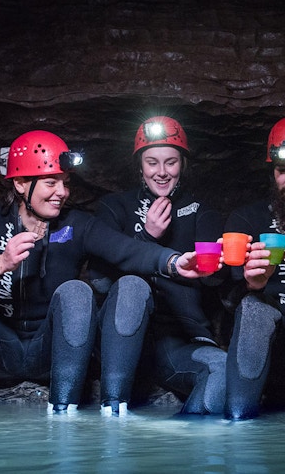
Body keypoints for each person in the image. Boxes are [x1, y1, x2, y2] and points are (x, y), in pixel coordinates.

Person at [0, 129, 210, 413]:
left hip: (52, 353)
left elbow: (126, 250)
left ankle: (64, 410)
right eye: (51, 183)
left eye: (65, 182)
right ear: (21, 183)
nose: (62, 193)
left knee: (76, 290)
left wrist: (172, 262)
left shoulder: (77, 225)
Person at [89, 116, 227, 416]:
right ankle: (112, 417)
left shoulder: (202, 211)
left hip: (177, 341)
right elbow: (99, 280)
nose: (162, 172)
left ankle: (178, 448)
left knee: (223, 371)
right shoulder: (115, 207)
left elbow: (216, 283)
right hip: (119, 344)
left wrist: (218, 269)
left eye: (171, 162)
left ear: (183, 166)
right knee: (131, 286)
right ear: (140, 165)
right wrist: (146, 235)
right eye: (152, 162)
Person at [223, 117, 285, 420]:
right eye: (283, 171)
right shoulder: (247, 220)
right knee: (255, 309)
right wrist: (254, 284)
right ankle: (239, 432)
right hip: (273, 352)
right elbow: (226, 302)